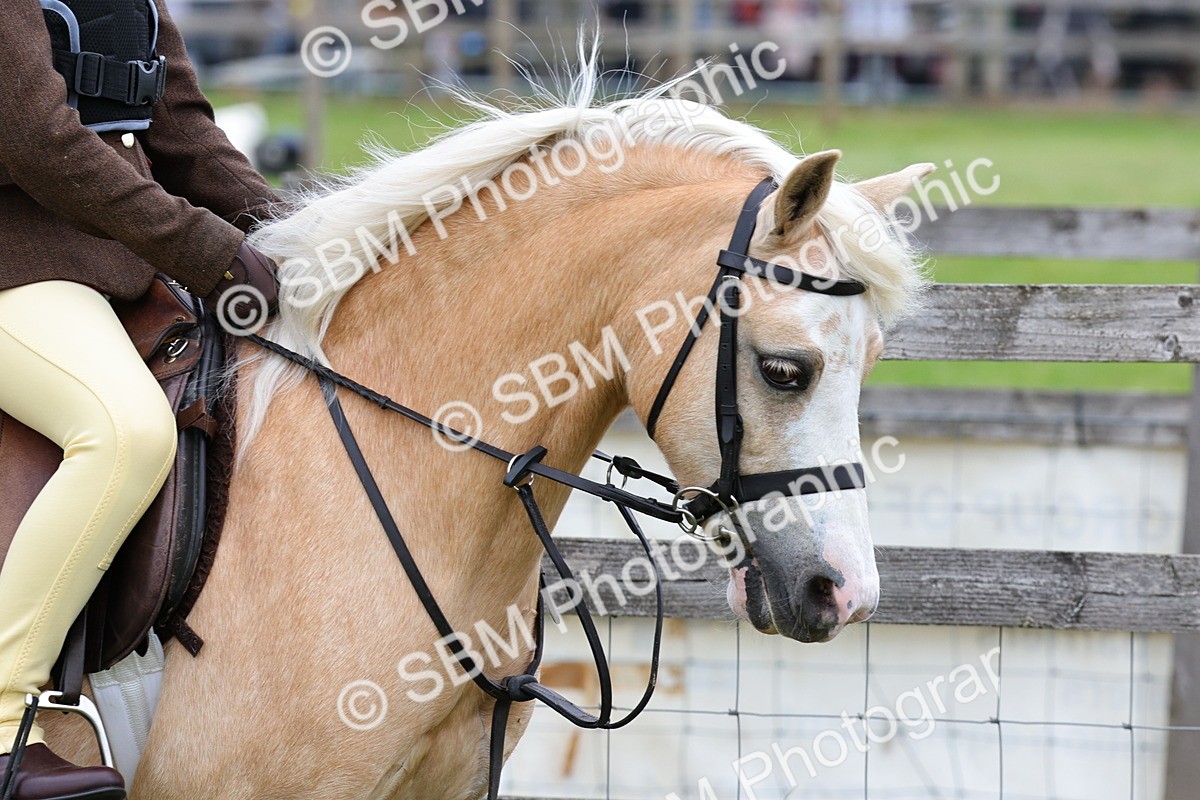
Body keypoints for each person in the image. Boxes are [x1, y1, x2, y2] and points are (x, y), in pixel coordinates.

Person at [0, 1, 280, 797]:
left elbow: (184, 136)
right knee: (124, 431)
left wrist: (301, 238)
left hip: (117, 266)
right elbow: (37, 142)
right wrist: (210, 250)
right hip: (16, 262)